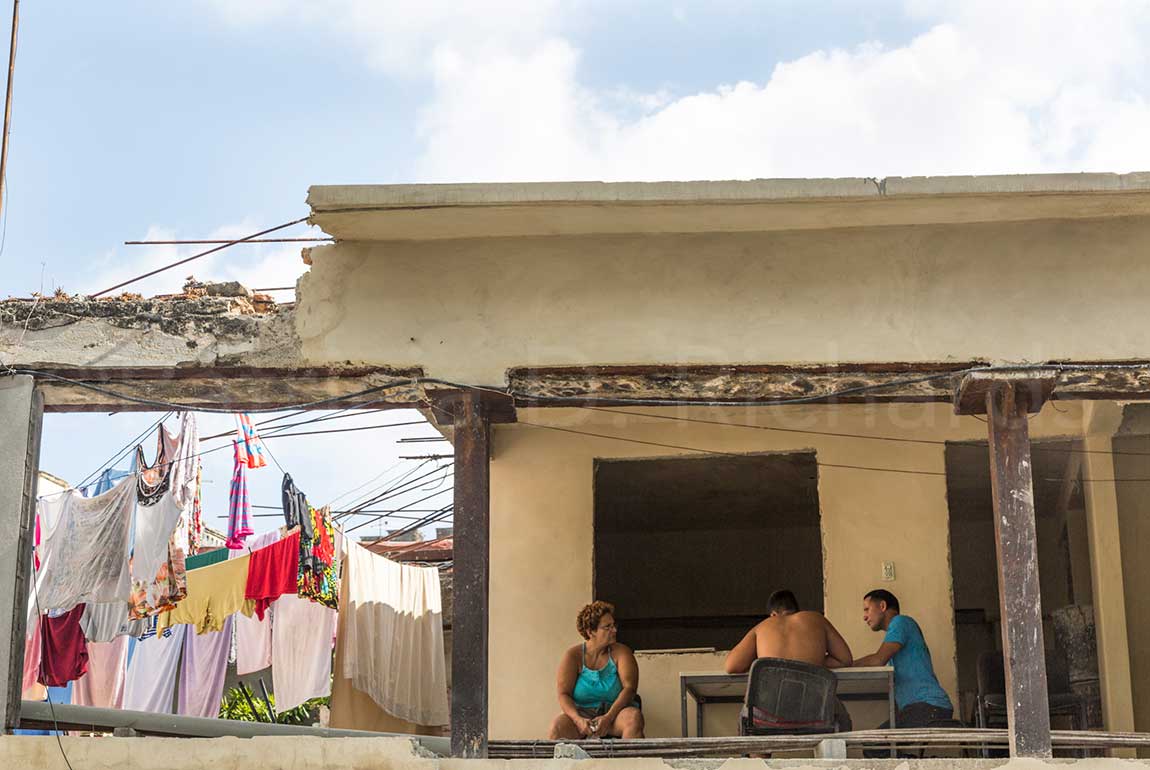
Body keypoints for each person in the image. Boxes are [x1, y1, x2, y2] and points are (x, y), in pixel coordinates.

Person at [724, 589, 853, 731]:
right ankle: (837, 746)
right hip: (815, 713)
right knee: (842, 718)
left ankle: (756, 747)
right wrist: (813, 662)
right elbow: (845, 659)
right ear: (796, 610)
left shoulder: (763, 626)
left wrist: (767, 662)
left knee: (746, 717)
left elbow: (731, 666)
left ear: (773, 615)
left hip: (767, 717)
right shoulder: (816, 619)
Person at [854, 589, 953, 728]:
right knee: (883, 739)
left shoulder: (900, 622)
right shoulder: (896, 637)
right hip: (923, 708)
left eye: (867, 609)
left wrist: (845, 663)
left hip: (929, 706)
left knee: (875, 741)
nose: (864, 617)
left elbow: (878, 660)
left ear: (882, 606)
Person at [548, 600, 644, 739]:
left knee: (634, 718)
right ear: (591, 631)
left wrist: (608, 717)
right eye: (607, 627)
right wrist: (578, 720)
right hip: (582, 715)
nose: (614, 630)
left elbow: (629, 688)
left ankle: (629, 754)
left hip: (615, 713)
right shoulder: (573, 656)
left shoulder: (622, 652)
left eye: (614, 625)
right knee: (557, 728)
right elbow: (563, 694)